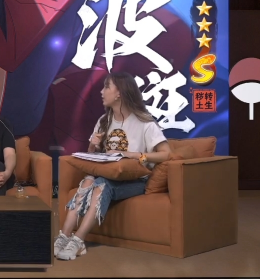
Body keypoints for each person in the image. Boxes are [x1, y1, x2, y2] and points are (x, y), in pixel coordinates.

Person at [54, 72, 173, 261]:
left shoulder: (145, 122)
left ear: (119, 93)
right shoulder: (104, 120)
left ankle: (78, 241)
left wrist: (136, 155)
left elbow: (166, 154)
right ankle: (64, 236)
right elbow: (94, 155)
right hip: (107, 174)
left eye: (106, 87)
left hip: (135, 181)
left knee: (101, 185)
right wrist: (93, 145)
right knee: (88, 181)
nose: (102, 92)